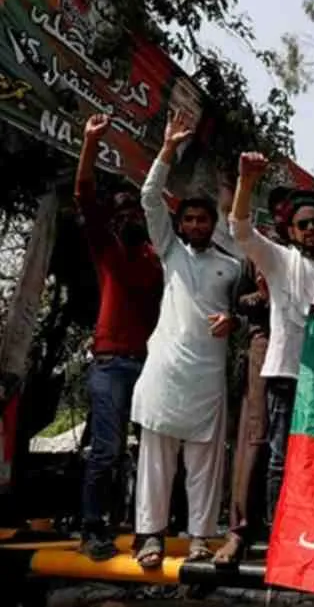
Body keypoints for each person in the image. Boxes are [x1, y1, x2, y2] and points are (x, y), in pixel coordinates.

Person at [130, 111, 242, 568]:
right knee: (155, 463)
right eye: (189, 219)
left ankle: (199, 539)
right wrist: (167, 149)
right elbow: (149, 197)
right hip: (165, 372)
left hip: (207, 377)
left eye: (202, 219)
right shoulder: (170, 251)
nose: (195, 225)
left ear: (212, 223)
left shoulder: (231, 266)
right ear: (180, 225)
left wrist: (234, 319)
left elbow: (246, 309)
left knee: (204, 464)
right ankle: (150, 538)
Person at [229, 152, 314, 527]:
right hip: (285, 376)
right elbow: (240, 229)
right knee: (279, 458)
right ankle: (280, 533)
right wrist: (246, 181)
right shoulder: (278, 260)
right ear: (290, 230)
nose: (311, 229)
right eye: (303, 224)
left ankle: (310, 527)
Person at [74, 114, 164, 561]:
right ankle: (92, 529)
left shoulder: (157, 257)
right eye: (121, 208)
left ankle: (143, 526)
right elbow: (84, 194)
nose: (129, 213)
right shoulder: (107, 249)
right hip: (110, 364)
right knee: (107, 450)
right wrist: (91, 142)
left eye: (135, 208)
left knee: (150, 452)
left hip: (149, 365)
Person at [214, 187, 295, 564]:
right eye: (278, 207)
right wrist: (264, 298)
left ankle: (287, 527)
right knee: (256, 434)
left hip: (306, 349)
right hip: (266, 343)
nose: (283, 214)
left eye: (291, 209)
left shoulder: (310, 255)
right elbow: (238, 302)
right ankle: (239, 530)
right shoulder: (259, 251)